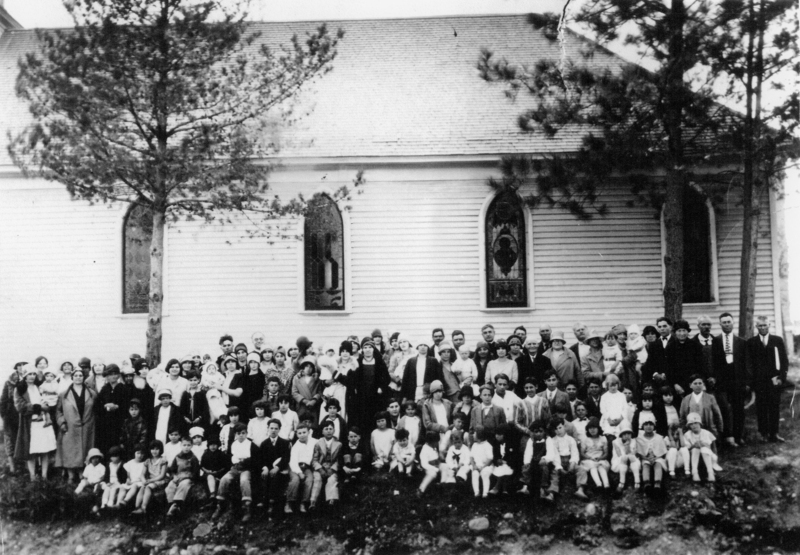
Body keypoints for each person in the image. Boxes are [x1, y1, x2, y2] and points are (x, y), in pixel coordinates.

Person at [746, 316, 789, 443]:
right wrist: (752, 381)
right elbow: (749, 363)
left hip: (774, 380)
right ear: (756, 327)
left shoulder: (777, 340)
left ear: (769, 325)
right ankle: (763, 434)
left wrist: (781, 377)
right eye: (760, 325)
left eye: (765, 325)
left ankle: (774, 434)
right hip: (759, 382)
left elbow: (784, 361)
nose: (763, 328)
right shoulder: (752, 342)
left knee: (774, 407)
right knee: (761, 408)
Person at [15, 364, 57, 480]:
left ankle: (44, 475)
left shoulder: (39, 387)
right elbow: (20, 407)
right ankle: (33, 476)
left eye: (34, 374)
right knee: (32, 451)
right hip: (30, 424)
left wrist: (47, 406)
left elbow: (47, 399)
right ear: (24, 375)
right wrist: (39, 407)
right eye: (29, 374)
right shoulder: (20, 389)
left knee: (45, 450)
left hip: (43, 422)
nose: (32, 376)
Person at [56, 366, 97, 482]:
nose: (78, 378)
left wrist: (91, 422)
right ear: (72, 378)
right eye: (76, 376)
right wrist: (62, 422)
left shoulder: (92, 393)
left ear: (84, 377)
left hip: (87, 427)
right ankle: (70, 475)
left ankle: (82, 474)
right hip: (69, 427)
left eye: (80, 375)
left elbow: (95, 410)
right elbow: (58, 411)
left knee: (85, 450)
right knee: (69, 451)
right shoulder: (63, 394)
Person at [213, 422, 258, 522]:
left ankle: (247, 508)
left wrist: (244, 461)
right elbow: (230, 458)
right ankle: (220, 505)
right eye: (238, 433)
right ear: (235, 435)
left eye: (243, 433)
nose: (241, 435)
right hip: (235, 468)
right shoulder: (233, 444)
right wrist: (235, 463)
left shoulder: (251, 445)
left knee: (244, 481)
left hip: (246, 469)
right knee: (224, 479)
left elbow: (255, 460)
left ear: (246, 434)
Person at [95, 363, 129, 456]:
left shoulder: (123, 388)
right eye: (110, 374)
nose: (113, 376)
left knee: (118, 447)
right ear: (106, 376)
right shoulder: (104, 389)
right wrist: (105, 406)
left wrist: (117, 407)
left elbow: (127, 406)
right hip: (106, 424)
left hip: (119, 423)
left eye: (115, 374)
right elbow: (97, 405)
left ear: (118, 375)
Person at [259, 418, 290, 514]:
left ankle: (272, 503)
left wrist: (277, 467)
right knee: (264, 476)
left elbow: (286, 458)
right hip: (268, 468)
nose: (273, 430)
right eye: (271, 428)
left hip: (280, 468)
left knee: (275, 477)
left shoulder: (284, 443)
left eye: (276, 428)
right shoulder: (264, 443)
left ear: (279, 429)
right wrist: (265, 468)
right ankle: (263, 501)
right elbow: (262, 459)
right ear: (267, 429)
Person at [679, 375, 723, 440]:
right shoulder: (686, 399)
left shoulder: (710, 398)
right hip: (691, 433)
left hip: (708, 431)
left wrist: (719, 430)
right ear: (690, 385)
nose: (698, 385)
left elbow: (718, 415)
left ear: (703, 385)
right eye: (695, 383)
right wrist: (684, 431)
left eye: (700, 383)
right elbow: (682, 418)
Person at [165, 436, 200, 518]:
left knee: (183, 485)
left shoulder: (193, 458)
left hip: (188, 478)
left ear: (191, 446)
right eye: (184, 445)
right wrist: (174, 476)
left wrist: (187, 477)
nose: (186, 447)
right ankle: (172, 505)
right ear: (181, 446)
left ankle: (177, 503)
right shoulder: (177, 457)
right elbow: (172, 470)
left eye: (188, 445)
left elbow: (196, 472)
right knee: (170, 486)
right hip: (178, 476)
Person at [285, 422, 316, 514]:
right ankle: (289, 503)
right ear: (296, 434)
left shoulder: (314, 441)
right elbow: (293, 462)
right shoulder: (296, 446)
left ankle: (303, 503)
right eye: (299, 433)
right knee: (295, 480)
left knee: (309, 480)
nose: (302, 435)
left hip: (307, 467)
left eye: (304, 432)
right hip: (295, 467)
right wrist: (299, 473)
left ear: (309, 432)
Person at [576, 417, 610, 498]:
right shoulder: (585, 439)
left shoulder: (603, 438)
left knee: (601, 467)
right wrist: (590, 458)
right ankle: (599, 484)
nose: (592, 430)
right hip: (589, 459)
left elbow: (606, 453)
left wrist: (600, 458)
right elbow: (582, 453)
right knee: (592, 467)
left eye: (594, 428)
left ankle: (606, 485)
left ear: (598, 428)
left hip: (600, 459)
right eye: (590, 428)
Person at [132, 440, 168, 515]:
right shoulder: (148, 461)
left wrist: (151, 480)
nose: (154, 451)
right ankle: (137, 507)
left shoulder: (163, 461)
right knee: (142, 487)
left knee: (148, 487)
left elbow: (162, 475)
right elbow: (142, 474)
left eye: (157, 449)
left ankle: (143, 507)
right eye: (152, 449)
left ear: (161, 450)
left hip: (159, 480)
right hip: (150, 480)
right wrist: (144, 480)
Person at [1, 362, 25, 474]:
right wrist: (4, 414)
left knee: (23, 438)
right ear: (16, 368)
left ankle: (24, 465)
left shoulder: (29, 379)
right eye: (19, 365)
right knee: (10, 439)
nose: (21, 367)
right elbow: (3, 400)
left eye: (23, 365)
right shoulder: (9, 381)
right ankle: (12, 467)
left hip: (24, 412)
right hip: (11, 414)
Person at [311, 420, 342, 507]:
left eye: (331, 429)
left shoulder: (339, 444)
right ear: (322, 431)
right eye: (326, 429)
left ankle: (331, 500)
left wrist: (332, 469)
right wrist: (320, 469)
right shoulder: (318, 444)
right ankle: (313, 501)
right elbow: (315, 459)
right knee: (317, 479)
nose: (328, 431)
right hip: (321, 467)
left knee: (332, 479)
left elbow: (339, 460)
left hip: (332, 467)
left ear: (334, 431)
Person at [635, 414, 667, 494]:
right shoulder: (639, 438)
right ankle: (647, 483)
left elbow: (662, 451)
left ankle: (657, 483)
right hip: (645, 458)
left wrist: (656, 458)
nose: (648, 426)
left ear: (654, 426)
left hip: (657, 458)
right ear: (642, 426)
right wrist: (646, 458)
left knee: (658, 464)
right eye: (646, 424)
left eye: (651, 424)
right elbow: (639, 452)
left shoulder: (659, 437)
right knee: (646, 465)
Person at [684, 412, 719, 483]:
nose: (694, 425)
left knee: (704, 449)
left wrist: (715, 458)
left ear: (700, 423)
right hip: (694, 457)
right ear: (689, 426)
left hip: (707, 457)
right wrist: (694, 446)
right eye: (691, 424)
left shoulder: (706, 433)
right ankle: (694, 472)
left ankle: (710, 472)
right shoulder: (687, 435)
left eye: (696, 423)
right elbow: (686, 449)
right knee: (695, 449)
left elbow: (713, 447)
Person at [421, 380, 453, 456]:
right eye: (436, 392)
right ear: (432, 393)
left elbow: (453, 416)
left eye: (440, 391)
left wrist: (449, 427)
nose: (438, 394)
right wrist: (442, 428)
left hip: (447, 432)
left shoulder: (447, 403)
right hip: (435, 434)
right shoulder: (427, 404)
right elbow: (427, 424)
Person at [520, 421, 549, 496]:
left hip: (543, 462)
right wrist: (527, 462)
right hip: (534, 460)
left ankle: (543, 488)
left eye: (541, 431)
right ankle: (525, 486)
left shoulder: (548, 440)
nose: (538, 434)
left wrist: (545, 458)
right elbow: (528, 452)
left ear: (544, 431)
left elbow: (551, 452)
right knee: (526, 468)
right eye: (536, 432)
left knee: (544, 469)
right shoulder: (531, 440)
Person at [611, 423, 640, 492]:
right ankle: (621, 482)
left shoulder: (634, 441)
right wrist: (625, 447)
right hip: (619, 460)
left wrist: (628, 446)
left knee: (631, 457)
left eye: (629, 434)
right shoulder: (615, 442)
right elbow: (618, 454)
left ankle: (637, 481)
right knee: (624, 458)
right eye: (624, 434)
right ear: (621, 435)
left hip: (632, 461)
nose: (627, 436)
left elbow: (633, 453)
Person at [291, 359, 322, 423]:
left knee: (313, 424)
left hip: (313, 405)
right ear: (303, 367)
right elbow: (294, 392)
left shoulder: (316, 379)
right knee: (301, 423)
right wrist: (305, 401)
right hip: (301, 405)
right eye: (306, 366)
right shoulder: (296, 378)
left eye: (311, 367)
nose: (308, 368)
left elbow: (319, 391)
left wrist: (314, 400)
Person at [119, 444, 147, 510]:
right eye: (138, 453)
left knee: (134, 486)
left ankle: (125, 500)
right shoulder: (130, 463)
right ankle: (118, 503)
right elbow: (128, 475)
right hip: (131, 482)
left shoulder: (144, 464)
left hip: (139, 483)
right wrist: (128, 479)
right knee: (122, 487)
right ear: (134, 453)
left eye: (142, 454)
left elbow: (144, 475)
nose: (140, 455)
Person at [470, 426, 494, 498]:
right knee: (475, 474)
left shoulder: (487, 445)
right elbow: (471, 456)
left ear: (479, 435)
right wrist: (474, 465)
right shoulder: (474, 445)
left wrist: (483, 467)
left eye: (474, 433)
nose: (473, 435)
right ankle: (476, 492)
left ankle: (485, 493)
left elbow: (490, 459)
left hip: (486, 466)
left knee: (485, 474)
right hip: (477, 465)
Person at [418, 430, 443, 494]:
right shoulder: (425, 450)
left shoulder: (433, 448)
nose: (437, 443)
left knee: (445, 466)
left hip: (436, 464)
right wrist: (435, 469)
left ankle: (443, 483)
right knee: (432, 473)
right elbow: (424, 464)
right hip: (429, 467)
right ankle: (421, 489)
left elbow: (436, 458)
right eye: (436, 442)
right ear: (431, 442)